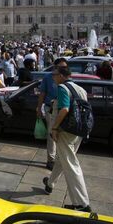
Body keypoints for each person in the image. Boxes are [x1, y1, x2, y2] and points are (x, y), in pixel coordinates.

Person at [43, 66, 91, 212]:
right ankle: (50, 184)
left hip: (66, 131)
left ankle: (82, 204)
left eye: (54, 75)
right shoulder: (80, 89)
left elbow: (64, 109)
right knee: (62, 159)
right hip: (78, 131)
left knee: (71, 165)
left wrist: (54, 128)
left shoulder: (63, 88)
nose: (53, 77)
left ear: (62, 76)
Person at [37, 57, 68, 170]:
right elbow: (42, 93)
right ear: (55, 67)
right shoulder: (48, 77)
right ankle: (51, 159)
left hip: (64, 109)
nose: (64, 69)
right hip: (51, 109)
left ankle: (61, 158)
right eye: (62, 67)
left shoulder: (67, 77)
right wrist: (39, 108)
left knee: (62, 135)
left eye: (65, 67)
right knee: (51, 134)